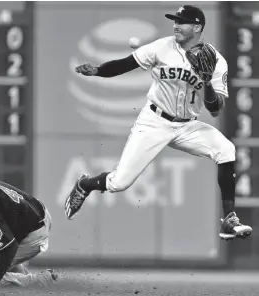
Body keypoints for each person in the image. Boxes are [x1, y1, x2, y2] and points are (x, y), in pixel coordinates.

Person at [64, 5, 252, 240]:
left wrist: (206, 82)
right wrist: (97, 70)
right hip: (154, 121)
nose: (176, 25)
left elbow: (215, 109)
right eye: (175, 20)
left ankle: (229, 219)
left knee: (226, 149)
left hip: (187, 126)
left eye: (181, 22)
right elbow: (125, 64)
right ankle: (86, 184)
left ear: (197, 27)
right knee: (119, 183)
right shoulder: (161, 47)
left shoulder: (216, 61)